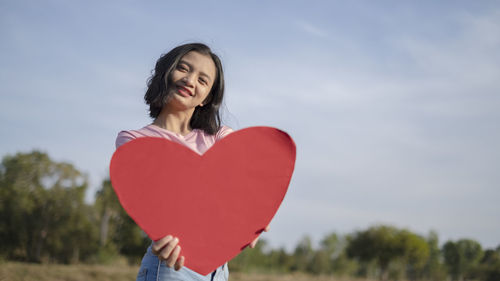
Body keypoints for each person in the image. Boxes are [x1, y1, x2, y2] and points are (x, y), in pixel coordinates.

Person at [115, 43, 268, 281]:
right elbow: (155, 201)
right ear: (166, 74)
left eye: (203, 80)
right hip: (172, 267)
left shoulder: (220, 137)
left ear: (206, 98)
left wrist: (253, 215)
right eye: (183, 69)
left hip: (219, 270)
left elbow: (245, 186)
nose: (190, 80)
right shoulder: (134, 140)